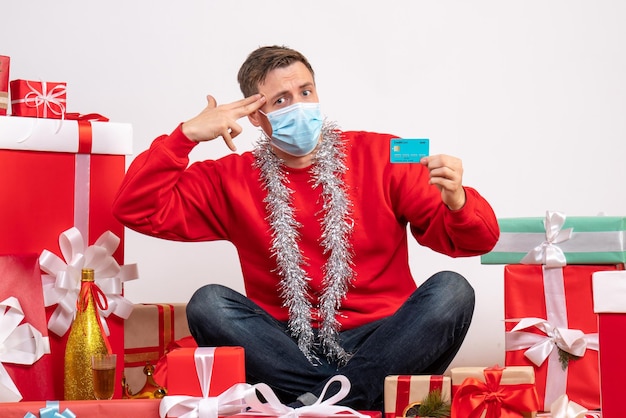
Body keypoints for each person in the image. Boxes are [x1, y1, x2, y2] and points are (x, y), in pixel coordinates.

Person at [112, 45, 499, 411]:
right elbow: (135, 207)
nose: (298, 106)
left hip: (383, 339)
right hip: (283, 347)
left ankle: (312, 406)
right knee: (208, 303)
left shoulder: (385, 152)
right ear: (256, 117)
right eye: (281, 100)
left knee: (453, 290)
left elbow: (478, 240)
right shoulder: (230, 178)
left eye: (305, 91)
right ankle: (349, 400)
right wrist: (186, 136)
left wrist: (459, 203)